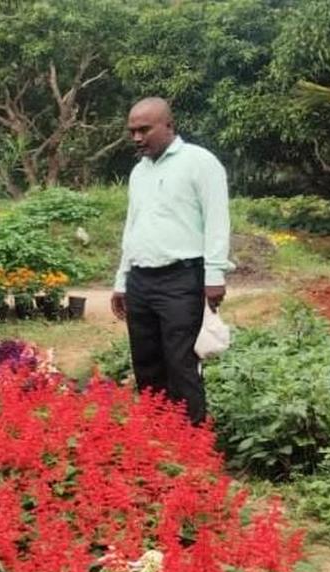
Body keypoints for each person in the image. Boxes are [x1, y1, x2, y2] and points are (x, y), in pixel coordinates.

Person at [110, 97, 234, 426]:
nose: (137, 138)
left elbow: (217, 220)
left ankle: (193, 438)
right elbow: (132, 227)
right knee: (146, 362)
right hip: (141, 280)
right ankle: (158, 435)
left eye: (144, 130)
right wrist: (122, 280)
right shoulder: (139, 172)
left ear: (169, 125)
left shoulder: (199, 162)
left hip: (181, 278)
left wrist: (214, 275)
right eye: (132, 132)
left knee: (181, 362)